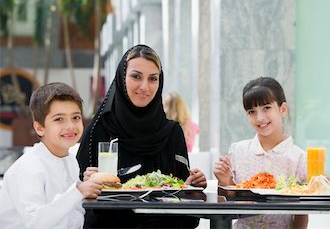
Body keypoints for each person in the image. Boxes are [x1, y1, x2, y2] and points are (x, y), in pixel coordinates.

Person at [77, 44, 207, 228]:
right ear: (122, 78)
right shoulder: (99, 131)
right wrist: (86, 181)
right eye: (136, 76)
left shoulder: (172, 132)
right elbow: (79, 200)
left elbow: (183, 196)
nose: (144, 86)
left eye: (153, 78)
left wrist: (192, 186)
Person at [0, 82, 102, 229]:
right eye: (59, 119)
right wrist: (78, 191)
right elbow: (34, 223)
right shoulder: (29, 167)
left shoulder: (70, 160)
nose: (70, 126)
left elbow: (73, 214)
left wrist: (83, 186)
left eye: (76, 118)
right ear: (39, 128)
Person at [213, 76, 308, 229]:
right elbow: (230, 200)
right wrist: (225, 182)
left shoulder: (299, 158)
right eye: (252, 111)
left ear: (282, 109)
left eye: (266, 108)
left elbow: (302, 213)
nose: (259, 118)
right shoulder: (238, 151)